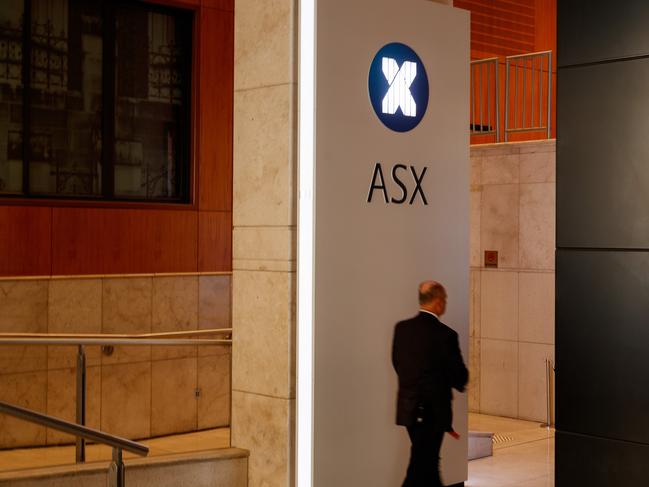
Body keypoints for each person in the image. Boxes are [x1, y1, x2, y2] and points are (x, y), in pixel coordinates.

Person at [392, 280, 469, 487]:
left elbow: (397, 363)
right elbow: (459, 376)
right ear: (437, 302)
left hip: (408, 410)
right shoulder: (445, 335)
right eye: (444, 299)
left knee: (424, 462)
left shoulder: (402, 329)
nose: (445, 304)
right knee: (423, 463)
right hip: (434, 413)